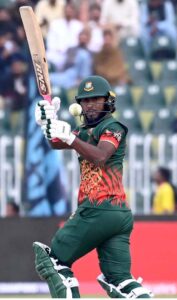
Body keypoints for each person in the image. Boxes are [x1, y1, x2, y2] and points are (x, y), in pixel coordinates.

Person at [33, 75, 152, 298]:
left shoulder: (113, 127)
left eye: (96, 99)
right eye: (86, 101)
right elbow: (56, 142)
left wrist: (70, 138)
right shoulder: (83, 131)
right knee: (119, 279)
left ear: (108, 101)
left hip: (98, 209)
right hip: (118, 216)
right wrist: (46, 123)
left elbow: (100, 156)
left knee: (52, 260)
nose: (90, 105)